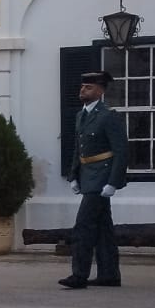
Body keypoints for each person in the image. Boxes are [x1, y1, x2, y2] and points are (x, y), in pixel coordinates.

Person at [59, 70, 127, 290]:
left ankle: (79, 274)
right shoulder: (82, 115)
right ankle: (109, 274)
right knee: (103, 228)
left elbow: (121, 150)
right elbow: (78, 148)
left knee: (83, 226)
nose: (83, 90)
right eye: (82, 86)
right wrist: (74, 175)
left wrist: (113, 182)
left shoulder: (108, 116)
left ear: (100, 91)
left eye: (88, 87)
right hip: (88, 175)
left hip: (102, 177)